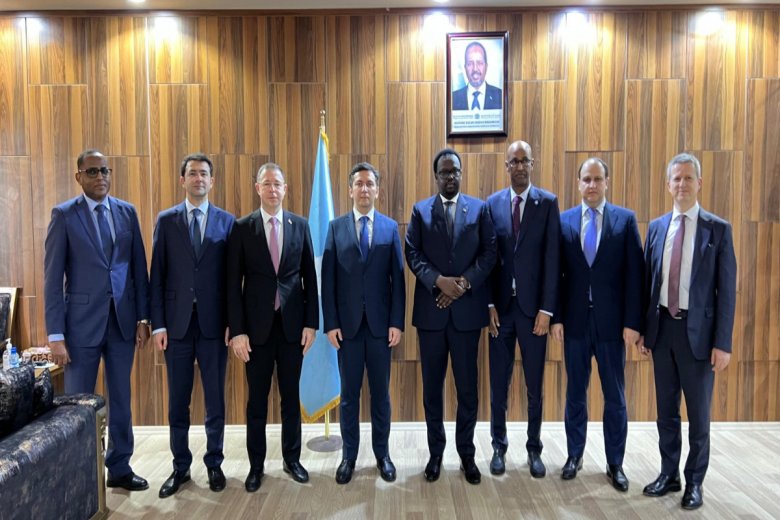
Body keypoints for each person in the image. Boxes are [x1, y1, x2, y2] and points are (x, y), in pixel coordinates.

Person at [44, 149, 151, 491]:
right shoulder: (64, 216)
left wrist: (143, 318)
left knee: (121, 400)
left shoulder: (127, 212)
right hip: (79, 328)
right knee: (78, 405)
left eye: (104, 170)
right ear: (79, 177)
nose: (100, 176)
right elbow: (52, 279)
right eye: (92, 171)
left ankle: (119, 467)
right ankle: (80, 478)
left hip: (122, 323)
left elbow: (138, 269)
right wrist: (56, 335)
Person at [638, 153, 736, 510]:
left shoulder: (717, 229)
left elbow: (726, 292)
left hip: (699, 337)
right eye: (676, 179)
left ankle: (694, 482)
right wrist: (644, 331)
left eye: (688, 178)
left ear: (699, 183)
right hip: (662, 330)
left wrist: (722, 343)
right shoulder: (657, 228)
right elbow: (647, 283)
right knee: (666, 411)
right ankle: (669, 474)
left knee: (698, 415)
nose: (682, 184)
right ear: (668, 185)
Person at [550, 158, 643, 491]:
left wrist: (633, 322)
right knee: (575, 393)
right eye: (586, 179)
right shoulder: (563, 221)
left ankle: (615, 463)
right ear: (578, 183)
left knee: (615, 396)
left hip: (612, 325)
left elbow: (635, 276)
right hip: (574, 322)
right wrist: (556, 318)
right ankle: (574, 455)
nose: (592, 185)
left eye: (597, 179)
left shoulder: (625, 220)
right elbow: (557, 275)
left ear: (607, 182)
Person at [405, 148, 496, 485]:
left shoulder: (480, 209)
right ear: (436, 176)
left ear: (461, 173)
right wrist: (438, 281)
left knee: (467, 390)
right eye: (444, 172)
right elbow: (412, 252)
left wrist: (463, 283)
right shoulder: (420, 211)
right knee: (432, 390)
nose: (450, 176)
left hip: (466, 317)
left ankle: (467, 455)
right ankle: (435, 454)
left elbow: (489, 252)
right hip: (431, 317)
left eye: (455, 171)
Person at [226, 162, 318, 492]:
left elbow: (310, 278)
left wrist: (311, 324)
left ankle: (292, 460)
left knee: (291, 399)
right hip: (256, 332)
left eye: (278, 184)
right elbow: (232, 284)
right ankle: (256, 466)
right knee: (257, 402)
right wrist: (237, 331)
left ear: (285, 189)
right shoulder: (242, 228)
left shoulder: (300, 225)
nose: (273, 189)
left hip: (292, 329)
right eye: (267, 184)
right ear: (258, 188)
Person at [150, 153, 235, 498]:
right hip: (177, 327)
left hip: (215, 326)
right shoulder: (166, 220)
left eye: (204, 174)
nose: (198, 179)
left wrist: (233, 323)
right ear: (182, 180)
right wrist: (158, 325)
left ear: (212, 181)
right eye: (192, 173)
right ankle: (180, 466)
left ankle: (214, 462)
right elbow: (157, 277)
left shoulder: (227, 222)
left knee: (215, 400)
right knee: (177, 402)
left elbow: (233, 280)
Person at [322, 162, 406, 485]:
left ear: (377, 190)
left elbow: (398, 280)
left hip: (381, 330)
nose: (364, 189)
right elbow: (328, 280)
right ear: (350, 190)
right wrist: (330, 323)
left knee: (380, 396)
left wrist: (396, 322)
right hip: (348, 330)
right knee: (349, 398)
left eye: (370, 184)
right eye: (359, 183)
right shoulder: (335, 228)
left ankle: (383, 455)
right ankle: (349, 457)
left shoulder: (389, 228)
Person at [486, 140, 560, 478]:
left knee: (534, 386)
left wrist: (547, 309)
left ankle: (534, 448)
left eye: (524, 160)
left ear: (533, 163)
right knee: (498, 385)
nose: (519, 166)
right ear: (506, 166)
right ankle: (498, 447)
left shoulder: (548, 203)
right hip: (501, 311)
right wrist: (489, 303)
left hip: (533, 314)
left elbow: (552, 260)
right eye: (513, 161)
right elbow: (488, 259)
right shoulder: (492, 204)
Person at [452, 41, 502, 111]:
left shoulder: (500, 96)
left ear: (486, 67)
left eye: (480, 63)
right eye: (470, 63)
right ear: (465, 68)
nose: (475, 69)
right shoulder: (453, 99)